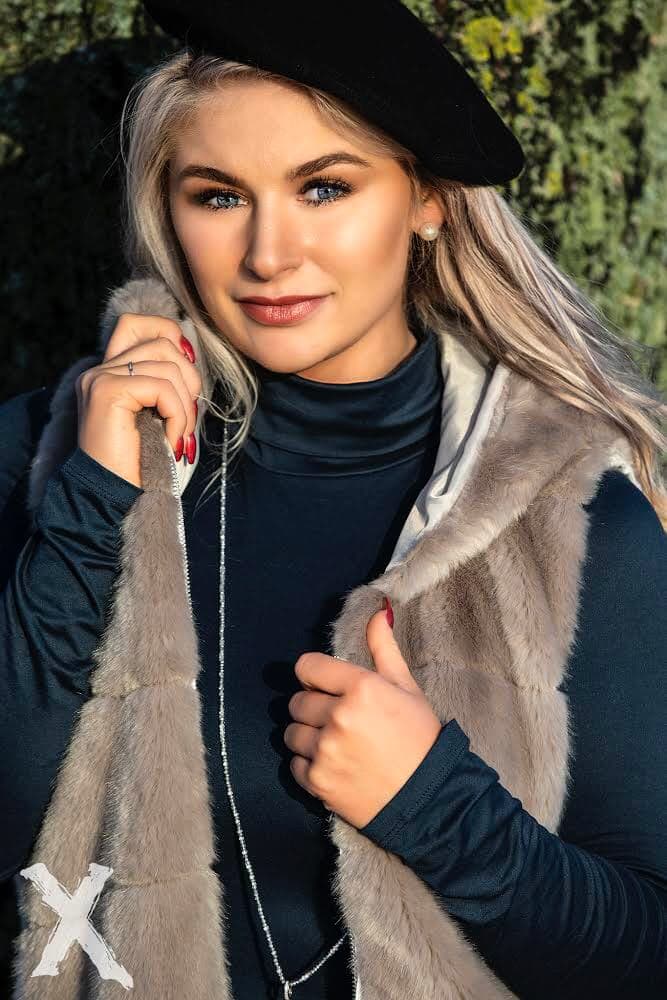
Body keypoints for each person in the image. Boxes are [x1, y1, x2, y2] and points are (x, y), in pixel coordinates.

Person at [1, 4, 666, 998]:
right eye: (218, 196)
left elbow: (646, 953)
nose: (270, 253)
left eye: (322, 187)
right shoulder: (43, 459)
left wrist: (435, 804)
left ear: (428, 199)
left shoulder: (570, 520)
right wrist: (92, 507)